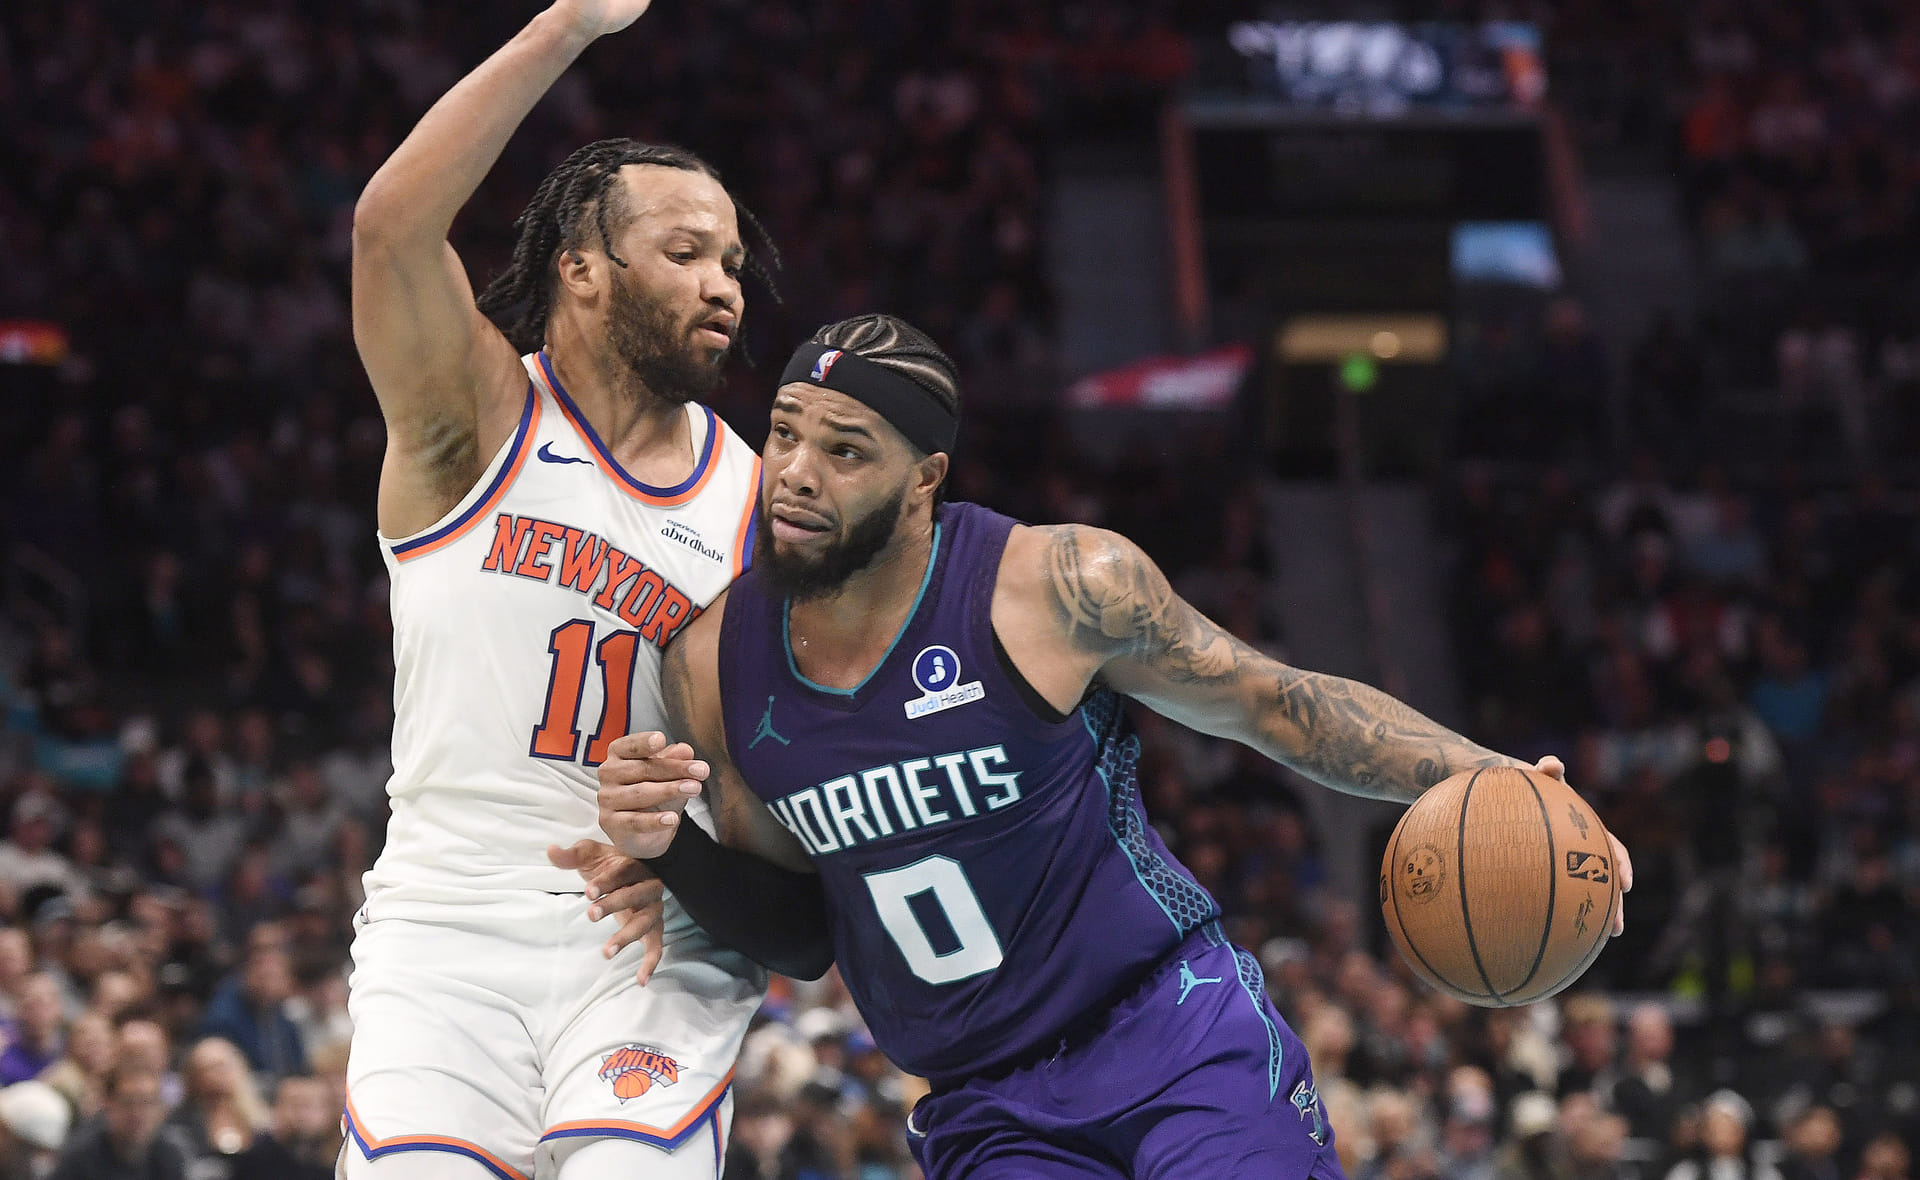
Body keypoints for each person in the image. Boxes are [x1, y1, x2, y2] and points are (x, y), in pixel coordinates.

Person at [591, 313, 1635, 1179]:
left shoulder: (1057, 586)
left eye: (845, 448)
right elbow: (800, 934)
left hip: (1169, 1026)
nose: (795, 474)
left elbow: (1277, 704)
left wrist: (1488, 775)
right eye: (783, 433)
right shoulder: (715, 663)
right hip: (986, 1104)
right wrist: (675, 852)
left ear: (924, 480)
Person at [344, 0, 773, 1174]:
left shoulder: (761, 504)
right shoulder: (472, 420)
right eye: (684, 252)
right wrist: (566, 29)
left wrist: (710, 877)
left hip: (650, 935)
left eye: (730, 260)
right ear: (581, 268)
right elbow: (390, 230)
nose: (722, 284)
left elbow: (777, 770)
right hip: (445, 923)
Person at [50, 1065, 188, 1180]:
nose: (137, 1113)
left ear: (161, 1110)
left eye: (147, 1102)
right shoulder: (78, 1158)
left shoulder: (170, 1156)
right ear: (108, 1105)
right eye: (128, 1102)